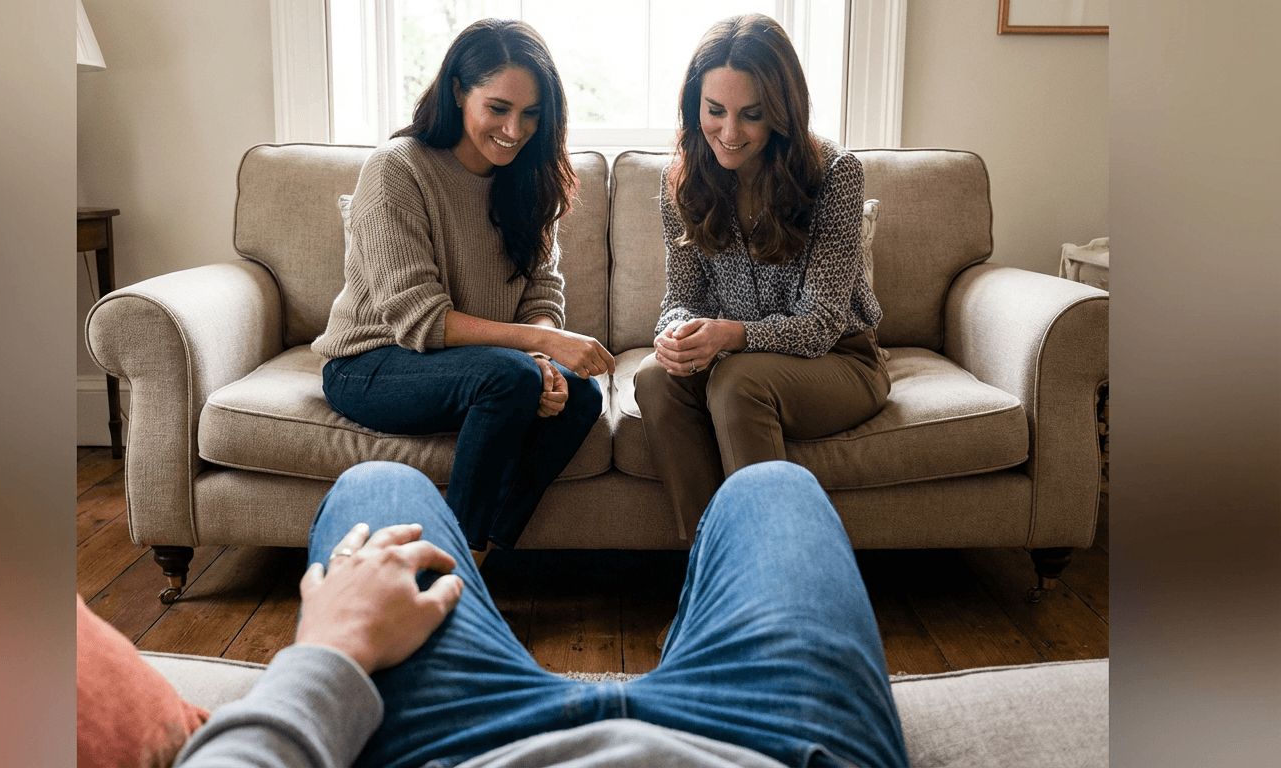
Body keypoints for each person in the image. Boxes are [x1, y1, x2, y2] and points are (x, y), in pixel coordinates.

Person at [173, 460, 909, 768]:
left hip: (457, 750)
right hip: (776, 752)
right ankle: (684, 655)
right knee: (772, 486)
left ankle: (485, 583)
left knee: (380, 483)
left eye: (527, 116)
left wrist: (329, 650)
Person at [310, 19, 615, 568]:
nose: (514, 129)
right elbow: (418, 319)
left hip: (480, 365)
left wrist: (545, 355)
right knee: (510, 375)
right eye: (497, 108)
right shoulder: (396, 168)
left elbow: (541, 297)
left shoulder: (530, 179)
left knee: (581, 398)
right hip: (372, 363)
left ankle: (484, 550)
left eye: (530, 114)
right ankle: (454, 564)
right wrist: (537, 352)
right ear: (457, 91)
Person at [634, 13, 889, 544]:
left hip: (841, 359)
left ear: (782, 111)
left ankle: (771, 583)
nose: (730, 133)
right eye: (714, 111)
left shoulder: (835, 174)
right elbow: (680, 298)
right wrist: (677, 334)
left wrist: (731, 335)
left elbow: (820, 324)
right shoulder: (679, 182)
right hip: (743, 360)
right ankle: (713, 572)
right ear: (694, 107)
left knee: (737, 381)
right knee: (655, 380)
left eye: (751, 115)